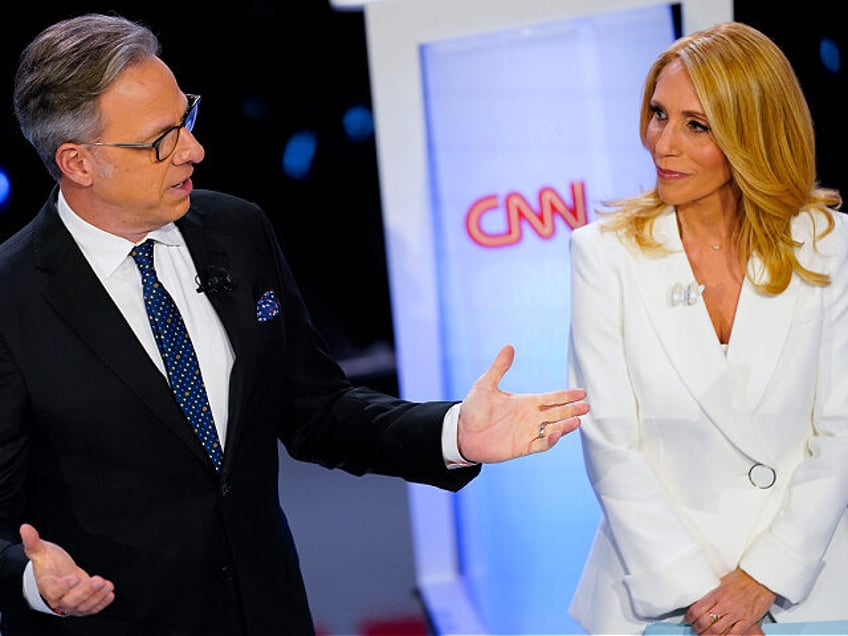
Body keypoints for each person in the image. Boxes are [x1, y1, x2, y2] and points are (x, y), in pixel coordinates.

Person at [0, 13, 590, 636]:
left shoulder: (236, 230)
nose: (193, 150)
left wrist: (453, 434)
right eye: (160, 141)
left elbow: (317, 411)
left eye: (187, 120)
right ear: (78, 162)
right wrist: (31, 582)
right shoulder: (11, 299)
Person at [567, 21, 848, 636]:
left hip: (808, 589)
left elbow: (842, 428)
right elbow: (610, 444)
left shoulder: (830, 245)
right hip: (659, 597)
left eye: (696, 125)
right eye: (658, 114)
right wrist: (704, 600)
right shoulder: (603, 254)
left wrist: (766, 578)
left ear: (753, 133)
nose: (662, 143)